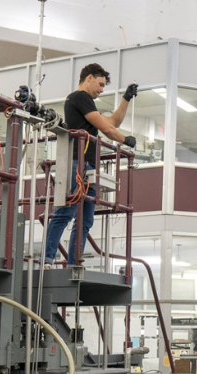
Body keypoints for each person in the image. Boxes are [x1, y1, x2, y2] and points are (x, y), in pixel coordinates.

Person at [43, 63, 138, 267]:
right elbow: (108, 130)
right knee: (66, 212)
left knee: (86, 220)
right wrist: (125, 140)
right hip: (77, 163)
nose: (102, 89)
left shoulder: (87, 105)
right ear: (89, 78)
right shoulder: (79, 97)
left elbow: (113, 121)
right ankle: (47, 258)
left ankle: (73, 263)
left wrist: (126, 99)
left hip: (88, 167)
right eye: (101, 84)